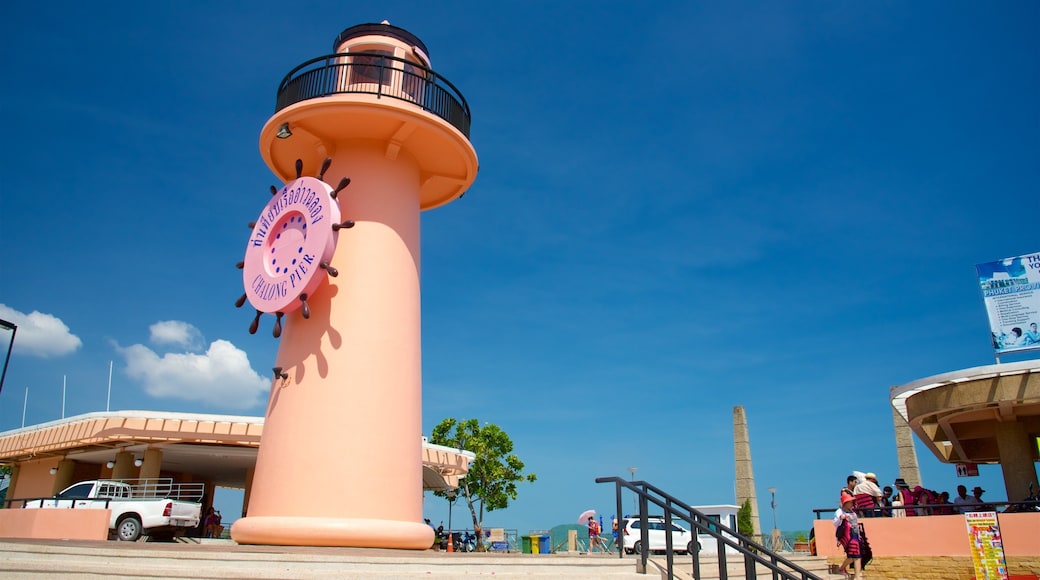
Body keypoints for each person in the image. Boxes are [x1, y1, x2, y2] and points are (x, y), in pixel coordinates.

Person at [833, 491, 862, 579]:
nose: (852, 503)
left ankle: (846, 570)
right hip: (847, 535)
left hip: (855, 534)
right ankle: (856, 576)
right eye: (850, 502)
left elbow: (855, 522)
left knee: (856, 555)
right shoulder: (839, 512)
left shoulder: (852, 511)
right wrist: (841, 518)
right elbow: (835, 523)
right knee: (855, 555)